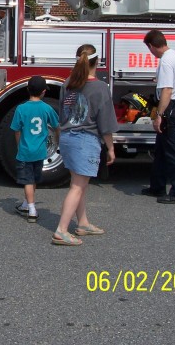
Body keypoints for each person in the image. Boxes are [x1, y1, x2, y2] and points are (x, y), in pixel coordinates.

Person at [53, 44, 117, 246]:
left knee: (78, 184)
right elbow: (105, 122)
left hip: (67, 138)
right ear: (97, 62)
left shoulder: (67, 84)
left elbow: (63, 113)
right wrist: (111, 148)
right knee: (78, 187)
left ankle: (83, 223)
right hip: (85, 140)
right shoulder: (99, 87)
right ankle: (61, 230)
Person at [141, 29, 175, 204]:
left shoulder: (166, 61)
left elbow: (167, 90)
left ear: (152, 46)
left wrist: (159, 115)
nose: (151, 52)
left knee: (174, 153)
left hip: (171, 108)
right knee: (160, 151)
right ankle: (157, 187)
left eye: (149, 49)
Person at [10, 76, 59, 223]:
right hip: (40, 152)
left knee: (28, 181)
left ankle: (31, 209)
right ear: (44, 92)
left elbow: (16, 129)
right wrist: (58, 139)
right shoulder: (47, 108)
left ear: (27, 90)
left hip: (25, 151)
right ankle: (26, 204)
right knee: (34, 179)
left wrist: (19, 144)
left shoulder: (21, 108)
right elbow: (57, 126)